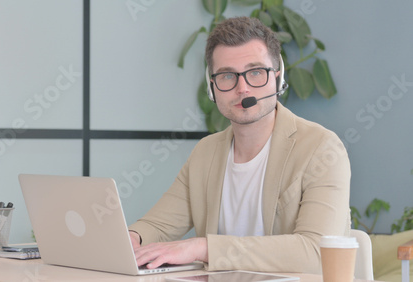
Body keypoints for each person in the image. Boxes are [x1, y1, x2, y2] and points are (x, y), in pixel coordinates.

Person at [128, 17, 351, 274]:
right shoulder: (206, 152)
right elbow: (157, 226)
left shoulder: (321, 148)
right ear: (213, 87)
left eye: (255, 72)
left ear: (277, 78)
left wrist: (204, 249)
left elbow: (317, 253)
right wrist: (133, 238)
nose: (242, 88)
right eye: (227, 76)